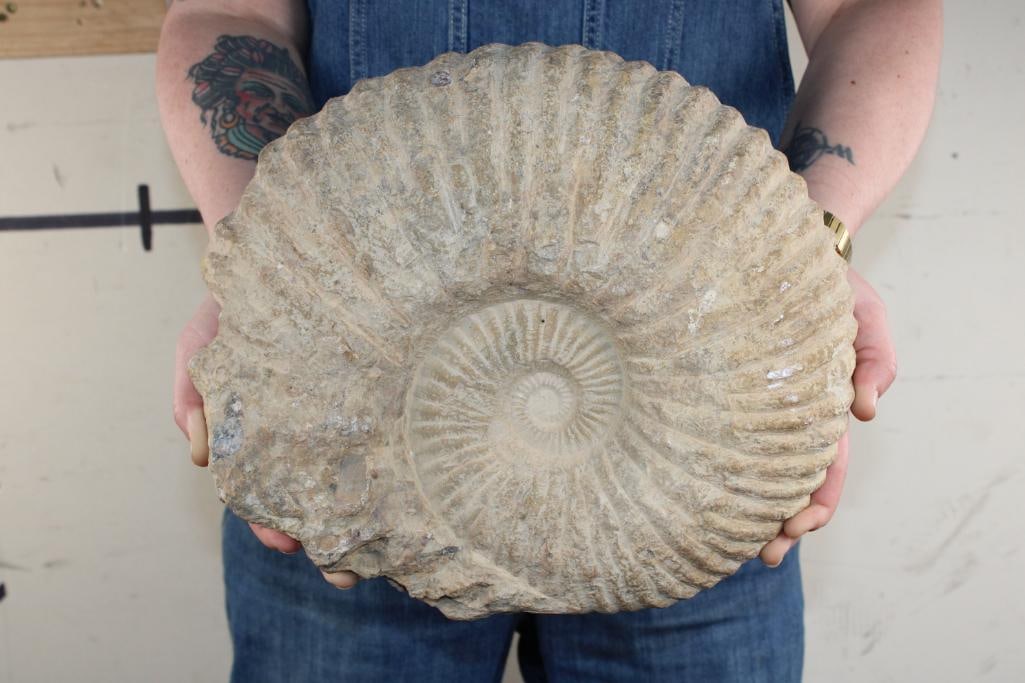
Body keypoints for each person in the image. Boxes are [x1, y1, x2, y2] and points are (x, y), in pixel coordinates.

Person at [157, 1, 940, 680]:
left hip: (700, 427)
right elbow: (234, 14)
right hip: (348, 428)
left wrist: (804, 256)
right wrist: (263, 265)